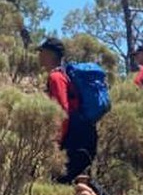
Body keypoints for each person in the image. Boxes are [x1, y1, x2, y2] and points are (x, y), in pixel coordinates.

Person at [38, 36, 100, 186]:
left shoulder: (56, 77)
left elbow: (62, 112)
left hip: (75, 139)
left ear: (50, 54)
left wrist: (56, 141)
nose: (39, 56)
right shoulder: (64, 75)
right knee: (77, 183)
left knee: (60, 182)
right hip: (85, 135)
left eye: (42, 52)